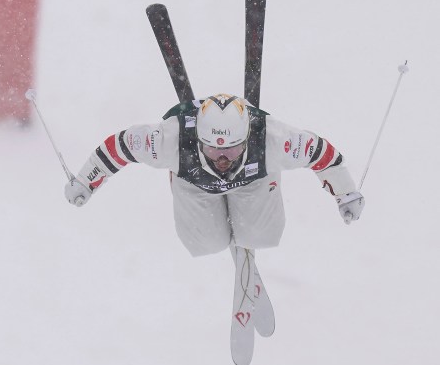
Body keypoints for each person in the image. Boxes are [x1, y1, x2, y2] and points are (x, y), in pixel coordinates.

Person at [63, 93, 365, 256]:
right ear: (199, 140)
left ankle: (252, 210)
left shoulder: (274, 139)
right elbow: (119, 147)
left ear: (247, 137)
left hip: (255, 179)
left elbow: (324, 156)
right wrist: (85, 182)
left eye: (232, 150)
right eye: (213, 149)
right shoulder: (170, 140)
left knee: (263, 237)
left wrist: (346, 194)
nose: (222, 159)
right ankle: (211, 205)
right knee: (205, 245)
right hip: (194, 182)